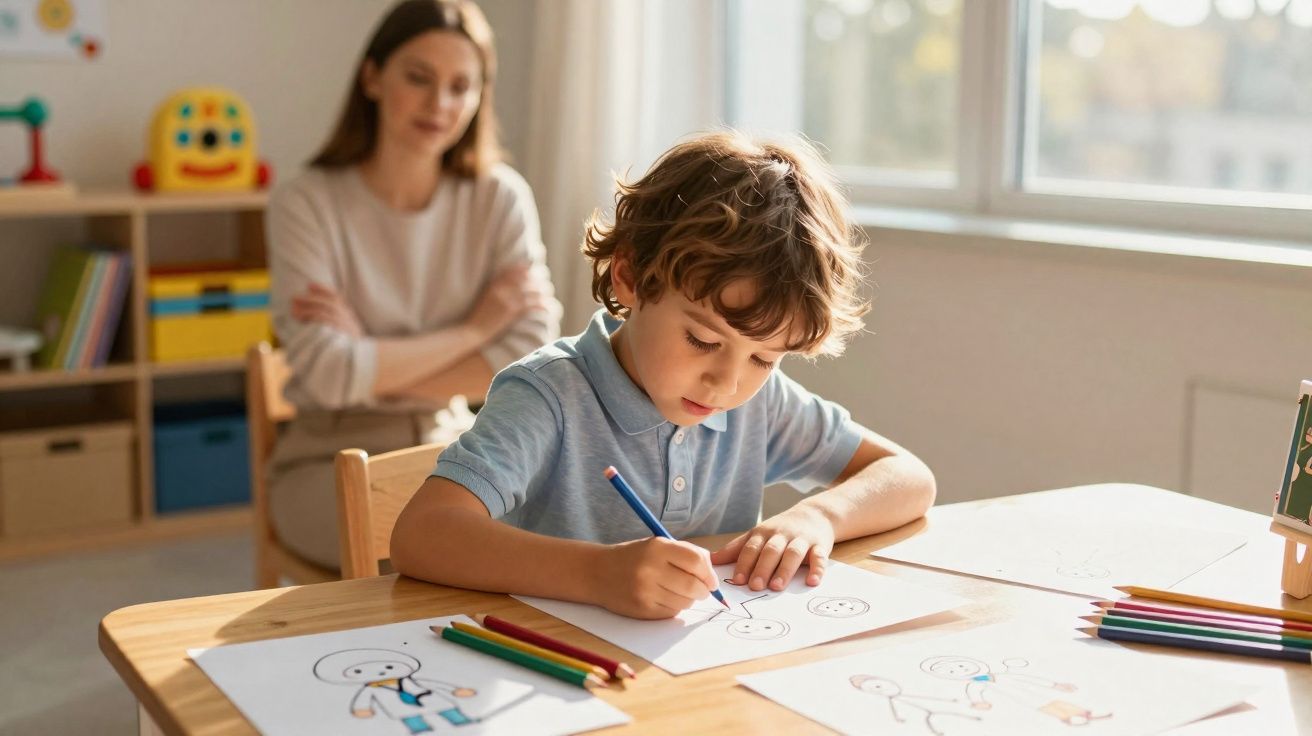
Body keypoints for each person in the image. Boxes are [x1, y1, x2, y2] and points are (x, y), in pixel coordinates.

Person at [391, 130, 934, 618]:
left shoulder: (760, 406)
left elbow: (909, 478)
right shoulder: (549, 395)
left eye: (764, 359)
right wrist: (596, 574)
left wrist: (820, 518)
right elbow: (422, 535)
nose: (727, 383)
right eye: (702, 340)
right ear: (629, 278)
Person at [265, 0, 559, 571]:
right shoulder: (305, 200)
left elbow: (529, 359)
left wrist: (366, 366)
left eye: (460, 86)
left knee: (556, 537)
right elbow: (326, 375)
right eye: (419, 78)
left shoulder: (500, 197)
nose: (439, 105)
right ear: (373, 77)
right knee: (431, 554)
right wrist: (475, 330)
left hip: (461, 449)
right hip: (327, 457)